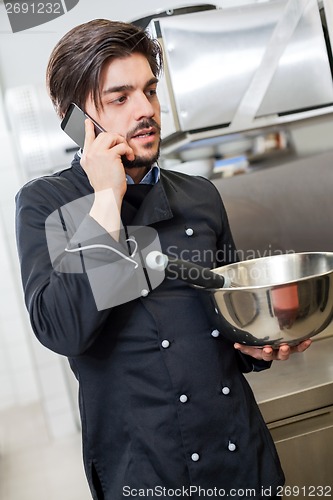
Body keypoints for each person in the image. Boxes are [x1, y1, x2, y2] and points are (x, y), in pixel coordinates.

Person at [15, 19, 311, 500]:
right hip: (145, 469)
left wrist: (258, 346)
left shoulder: (200, 195)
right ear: (76, 120)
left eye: (149, 91)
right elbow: (62, 329)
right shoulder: (46, 204)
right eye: (120, 97)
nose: (145, 109)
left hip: (241, 458)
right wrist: (106, 199)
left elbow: (229, 316)